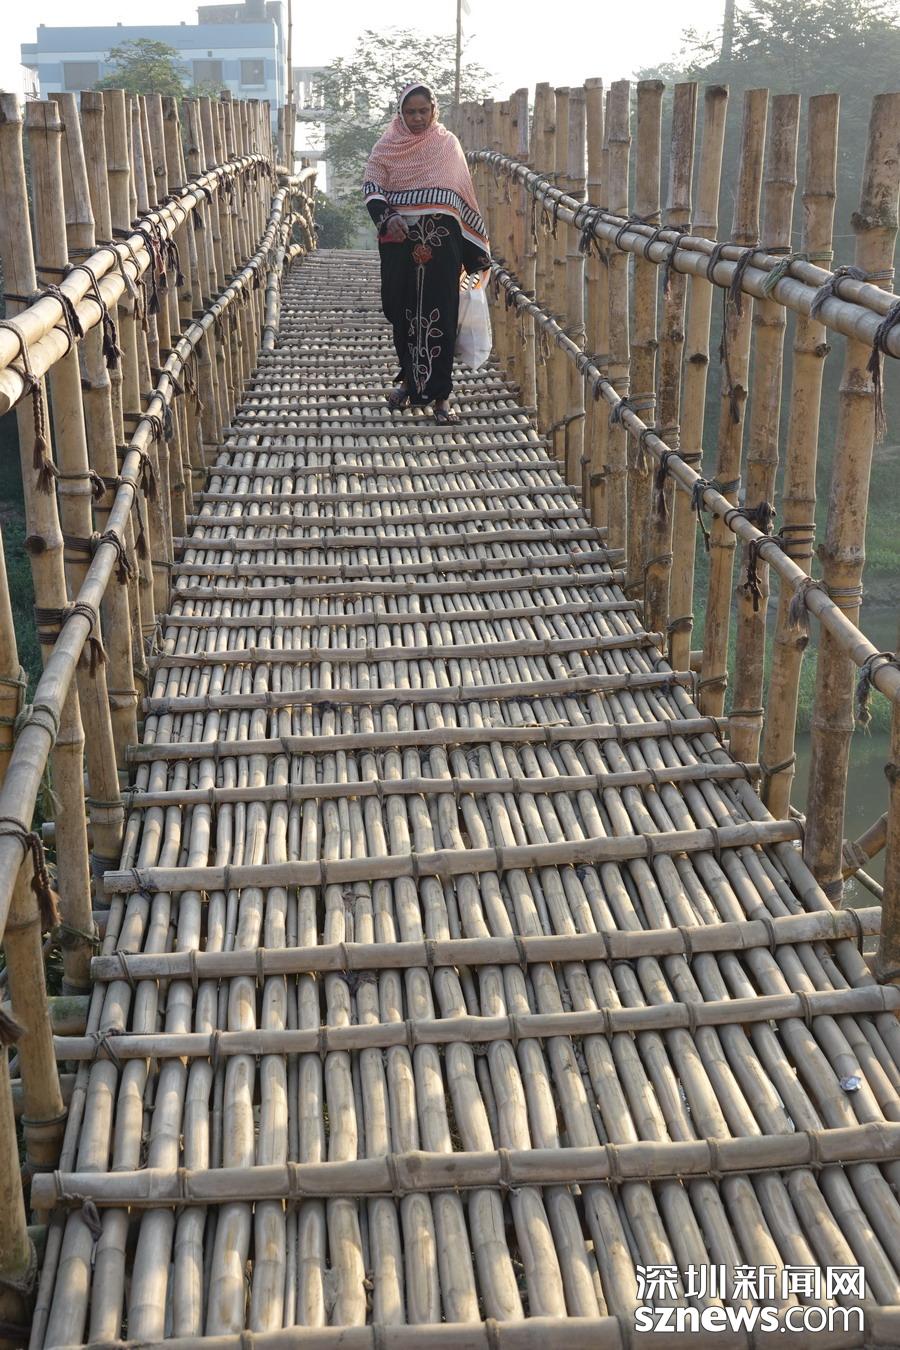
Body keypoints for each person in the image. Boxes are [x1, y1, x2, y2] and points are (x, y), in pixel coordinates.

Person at [363, 82, 491, 424]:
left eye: (423, 111)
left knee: (441, 315)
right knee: (402, 311)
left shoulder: (447, 145)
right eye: (410, 112)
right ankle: (408, 382)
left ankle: (442, 397)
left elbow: (460, 198)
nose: (417, 118)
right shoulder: (386, 146)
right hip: (400, 245)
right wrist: (387, 216)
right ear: (400, 113)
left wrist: (473, 256)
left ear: (434, 110)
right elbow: (372, 186)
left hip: (442, 247)